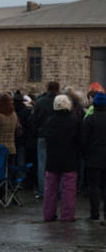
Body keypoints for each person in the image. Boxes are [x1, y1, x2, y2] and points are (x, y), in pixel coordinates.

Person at [41, 94, 81, 222]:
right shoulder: (75, 121)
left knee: (50, 190)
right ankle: (67, 216)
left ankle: (48, 214)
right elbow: (79, 140)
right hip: (70, 159)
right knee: (68, 190)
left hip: (52, 159)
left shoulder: (49, 121)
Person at [82, 92, 106, 223]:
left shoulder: (89, 119)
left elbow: (83, 140)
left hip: (93, 158)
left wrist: (85, 154)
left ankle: (94, 213)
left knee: (94, 187)